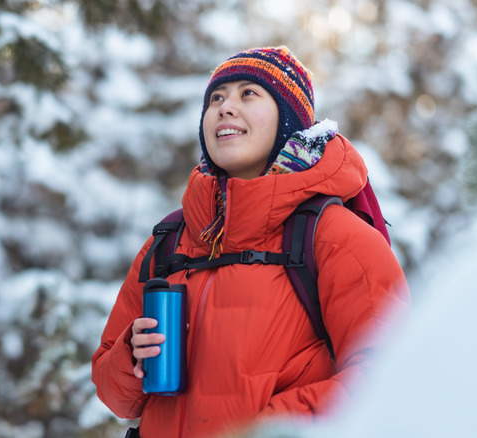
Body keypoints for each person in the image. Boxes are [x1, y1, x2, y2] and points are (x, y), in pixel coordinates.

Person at [91, 46, 410, 438]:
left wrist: (273, 427)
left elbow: (389, 377)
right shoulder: (170, 240)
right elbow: (113, 395)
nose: (225, 108)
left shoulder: (336, 237)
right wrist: (131, 354)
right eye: (216, 99)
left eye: (248, 94)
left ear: (288, 120)